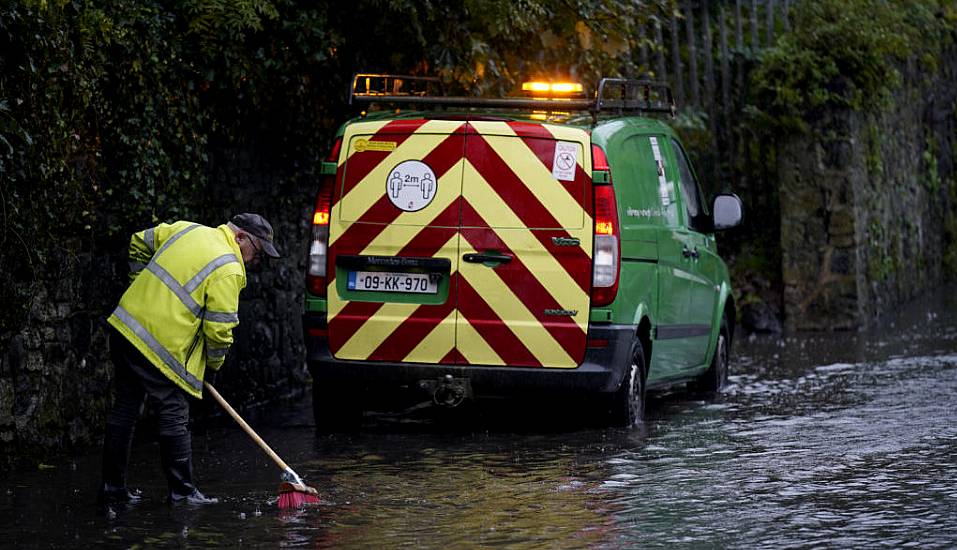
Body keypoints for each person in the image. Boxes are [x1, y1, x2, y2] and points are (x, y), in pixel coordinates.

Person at [98, 213, 280, 505]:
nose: (253, 261)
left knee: (125, 410)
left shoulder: (187, 229)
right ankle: (183, 494)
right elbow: (219, 330)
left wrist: (138, 284)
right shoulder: (229, 268)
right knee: (174, 412)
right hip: (157, 345)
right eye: (256, 253)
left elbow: (137, 242)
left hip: (124, 327)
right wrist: (213, 366)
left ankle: (112, 490)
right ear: (240, 237)